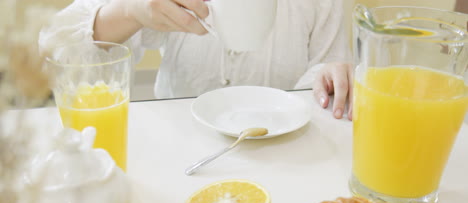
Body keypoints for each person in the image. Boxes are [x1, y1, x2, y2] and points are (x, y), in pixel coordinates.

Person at [41, 0, 353, 120]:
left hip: (286, 152)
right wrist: (130, 11)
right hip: (180, 151)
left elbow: (331, 79)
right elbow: (54, 49)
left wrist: (330, 76)